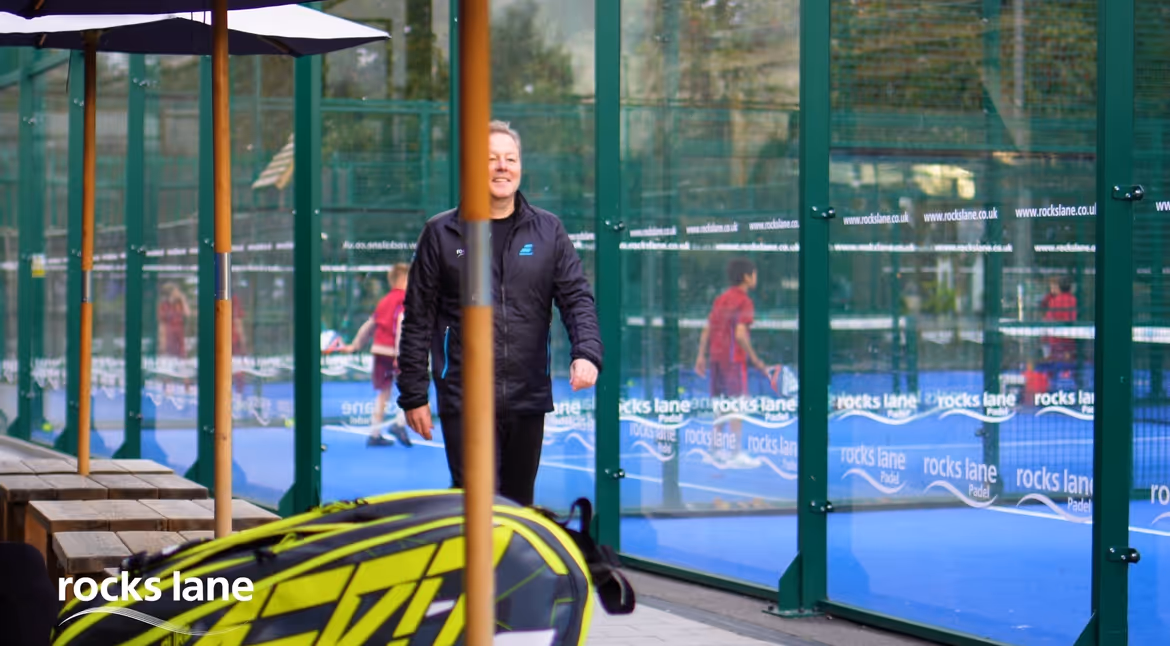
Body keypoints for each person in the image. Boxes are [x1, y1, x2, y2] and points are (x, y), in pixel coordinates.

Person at [396, 120, 603, 507]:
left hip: (528, 397)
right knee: (477, 509)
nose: (502, 167)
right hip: (464, 399)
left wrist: (587, 352)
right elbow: (418, 318)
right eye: (491, 159)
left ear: (520, 166)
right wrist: (413, 395)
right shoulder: (441, 233)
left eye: (510, 158)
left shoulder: (548, 230)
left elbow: (576, 298)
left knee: (518, 509)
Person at [694, 258, 769, 468]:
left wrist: (701, 356)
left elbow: (707, 328)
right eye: (754, 274)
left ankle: (715, 450)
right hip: (733, 360)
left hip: (716, 359)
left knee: (721, 405)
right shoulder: (744, 301)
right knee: (737, 405)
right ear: (747, 277)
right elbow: (740, 334)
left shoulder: (721, 299)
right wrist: (756, 360)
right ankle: (735, 453)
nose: (756, 278)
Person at [344, 263, 413, 448]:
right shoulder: (406, 300)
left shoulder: (384, 301)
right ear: (403, 279)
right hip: (395, 351)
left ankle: (374, 434)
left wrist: (355, 345)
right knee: (414, 389)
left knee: (384, 392)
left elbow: (369, 325)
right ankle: (399, 424)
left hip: (380, 351)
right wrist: (400, 354)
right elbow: (402, 324)